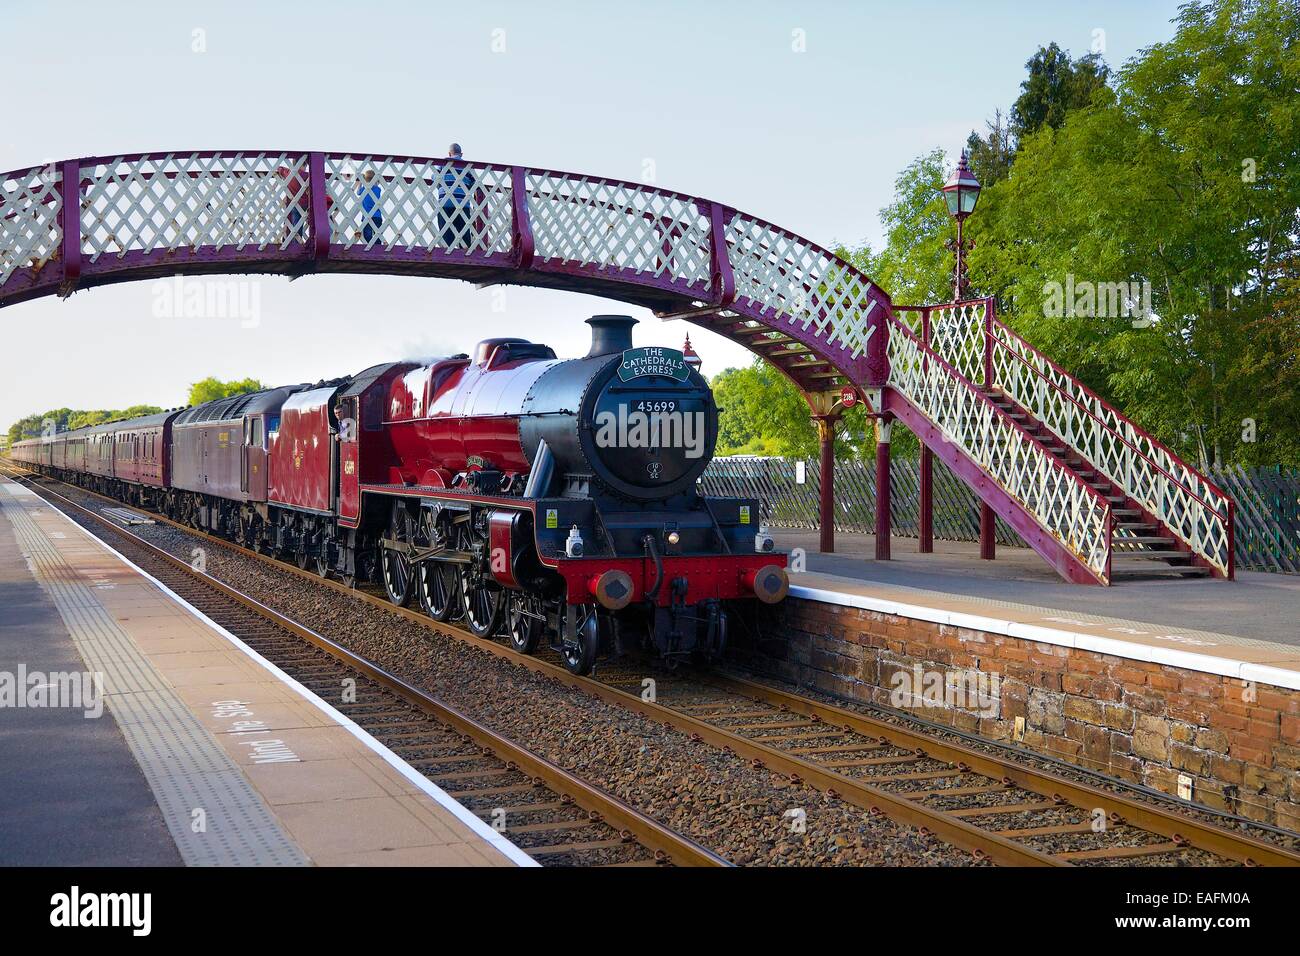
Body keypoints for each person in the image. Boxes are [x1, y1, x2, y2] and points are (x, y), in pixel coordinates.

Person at [438, 143, 476, 249]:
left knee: (446, 232)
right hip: (462, 203)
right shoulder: (468, 166)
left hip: (445, 202)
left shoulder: (442, 163)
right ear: (461, 154)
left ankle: (447, 250)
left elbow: (435, 177)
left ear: (449, 153)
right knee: (463, 231)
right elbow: (474, 183)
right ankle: (465, 250)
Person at [357, 169, 383, 245]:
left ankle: (368, 246)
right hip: (377, 215)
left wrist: (360, 182)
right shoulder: (378, 189)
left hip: (366, 216)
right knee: (377, 234)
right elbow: (376, 185)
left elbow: (358, 192)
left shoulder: (363, 190)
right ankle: (377, 247)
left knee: (367, 235)